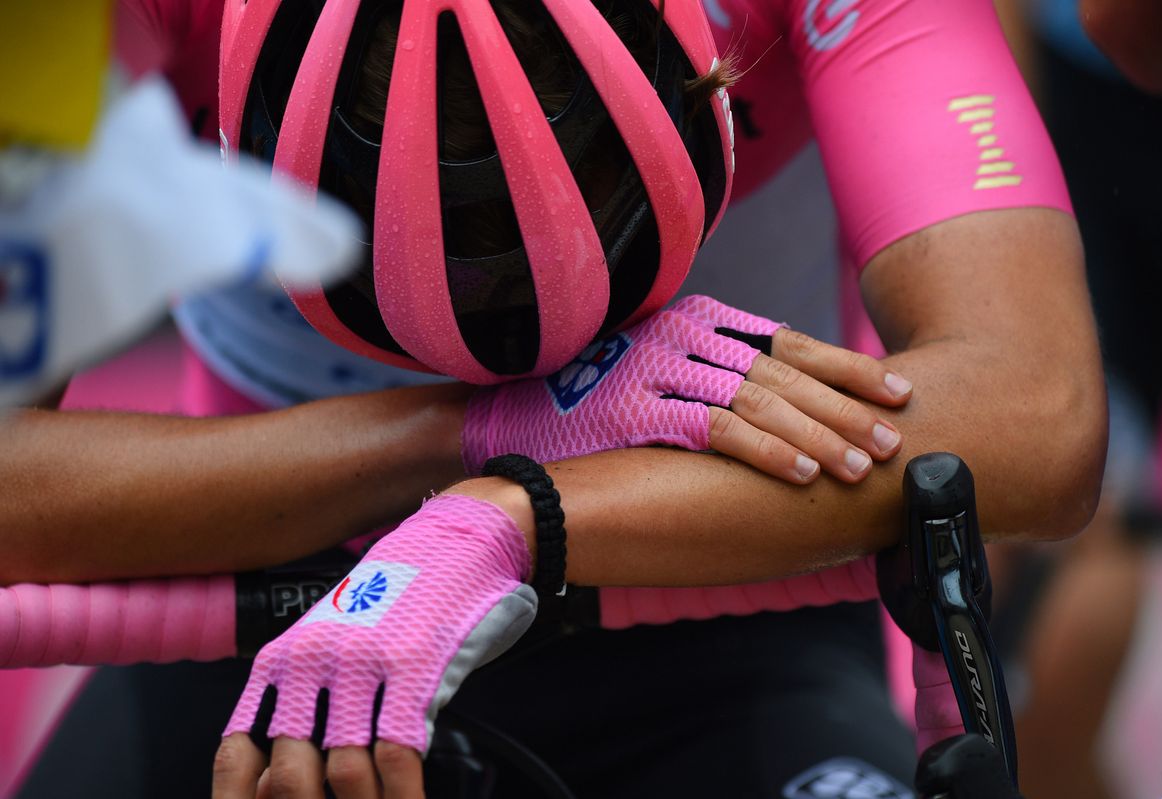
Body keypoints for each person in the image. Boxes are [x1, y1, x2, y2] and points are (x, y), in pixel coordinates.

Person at [7, 0, 1106, 797]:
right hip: (285, 617)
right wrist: (479, 436)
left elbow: (1038, 410)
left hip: (721, 614)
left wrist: (508, 513)